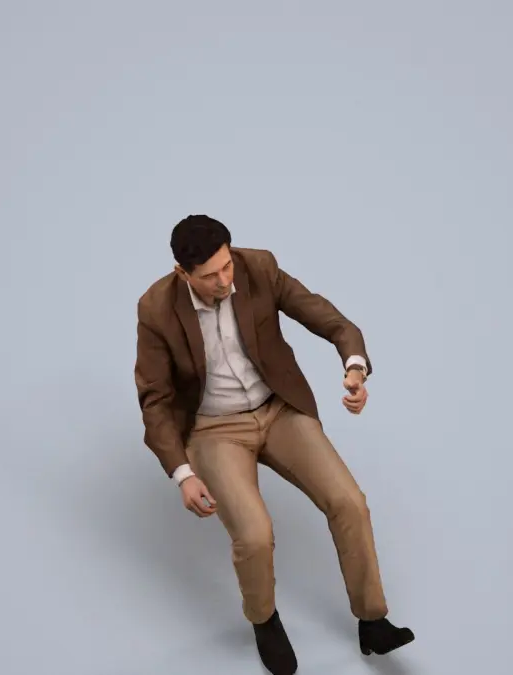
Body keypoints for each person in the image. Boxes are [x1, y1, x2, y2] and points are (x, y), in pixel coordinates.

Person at [133, 215, 414, 674]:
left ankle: (373, 621)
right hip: (213, 428)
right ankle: (264, 621)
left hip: (278, 409)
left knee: (349, 502)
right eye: (211, 276)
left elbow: (330, 319)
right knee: (254, 534)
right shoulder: (156, 308)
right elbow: (155, 399)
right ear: (183, 273)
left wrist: (355, 368)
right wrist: (182, 474)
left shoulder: (258, 267)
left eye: (227, 265)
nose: (225, 280)